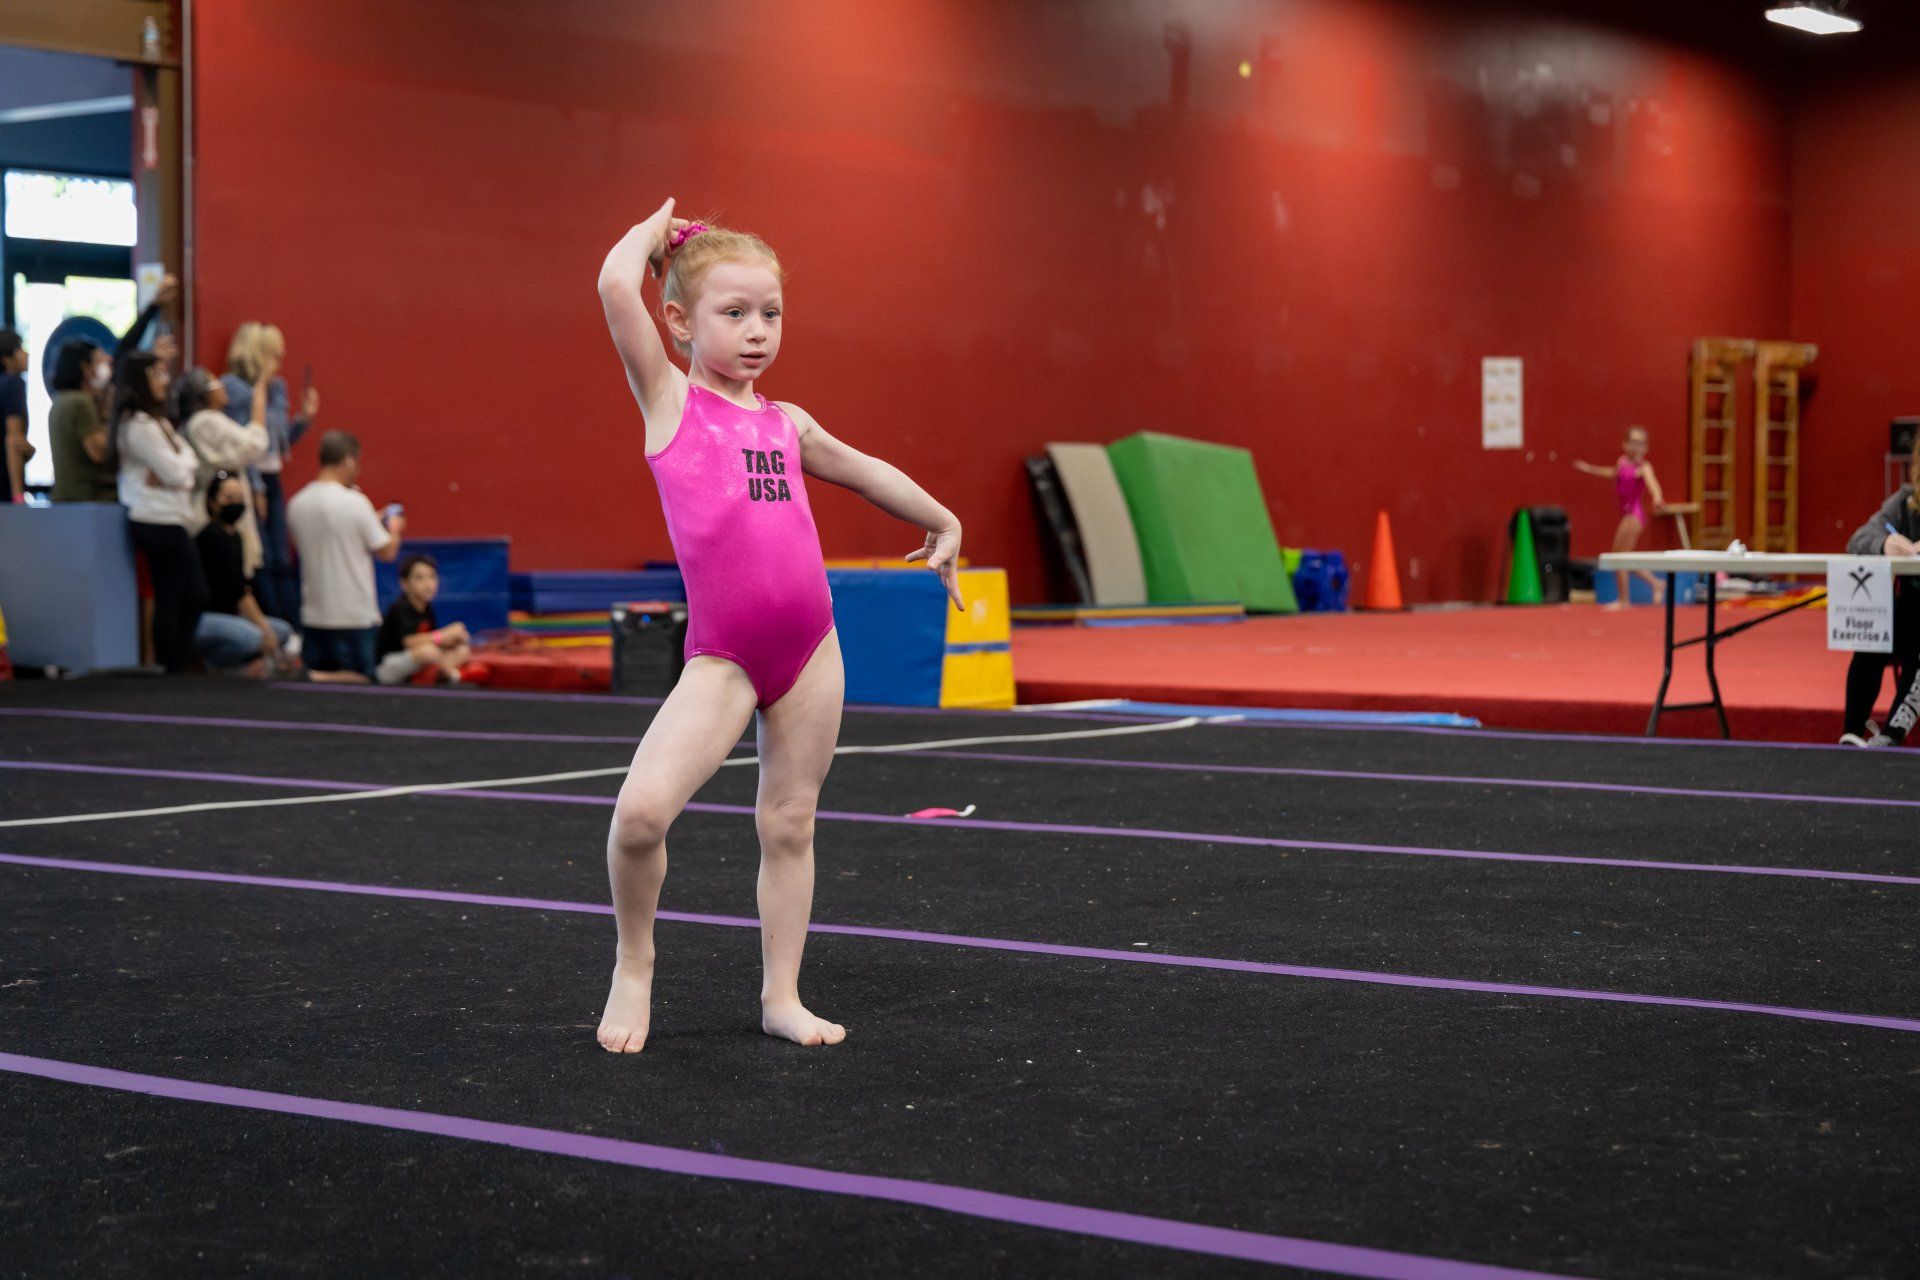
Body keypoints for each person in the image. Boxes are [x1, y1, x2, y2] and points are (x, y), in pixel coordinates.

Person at [592, 199, 964, 1054]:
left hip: (812, 648)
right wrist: (658, 233)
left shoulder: (785, 422)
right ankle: (636, 962)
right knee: (642, 813)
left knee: (789, 824)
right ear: (680, 322)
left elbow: (866, 471)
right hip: (725, 656)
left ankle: (782, 996)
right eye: (734, 313)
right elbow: (617, 284)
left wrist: (943, 521)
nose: (757, 331)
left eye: (771, 313)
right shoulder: (670, 402)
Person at [111, 351, 207, 672]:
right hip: (154, 518)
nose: (165, 381)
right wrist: (179, 473)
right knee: (185, 594)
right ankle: (172, 663)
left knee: (179, 594)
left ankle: (172, 664)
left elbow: (188, 463)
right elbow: (179, 474)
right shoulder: (138, 426)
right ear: (141, 380)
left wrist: (179, 473)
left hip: (170, 516)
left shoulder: (160, 422)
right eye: (157, 374)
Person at [286, 430, 403, 682]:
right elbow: (387, 551)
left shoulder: (296, 504)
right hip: (353, 616)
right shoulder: (355, 502)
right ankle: (317, 677)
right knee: (362, 684)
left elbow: (312, 542)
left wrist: (372, 519)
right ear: (348, 460)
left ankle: (315, 677)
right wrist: (394, 528)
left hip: (314, 614)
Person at [222, 322, 318, 622]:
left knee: (280, 555)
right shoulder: (232, 389)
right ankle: (272, 622)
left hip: (271, 477)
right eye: (275, 354)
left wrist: (303, 419)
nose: (280, 360)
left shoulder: (277, 387)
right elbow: (244, 442)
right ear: (259, 354)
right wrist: (256, 487)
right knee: (259, 556)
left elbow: (276, 440)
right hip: (249, 480)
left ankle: (291, 625)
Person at [1841, 454, 1920, 748]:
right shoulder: (1906, 501)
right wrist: (1884, 543)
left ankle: (1891, 736)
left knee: (1918, 650)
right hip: (1910, 607)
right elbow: (1858, 538)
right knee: (1874, 632)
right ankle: (1851, 733)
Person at [193, 472, 298, 676]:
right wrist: (264, 629)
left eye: (239, 499)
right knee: (254, 636)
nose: (235, 504)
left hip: (231, 615)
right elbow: (237, 590)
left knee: (283, 631)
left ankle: (252, 662)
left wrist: (265, 628)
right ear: (213, 502)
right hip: (206, 617)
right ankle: (221, 665)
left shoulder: (236, 536)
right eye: (228, 498)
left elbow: (242, 587)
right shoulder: (210, 536)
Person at [175, 367, 269, 577]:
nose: (222, 386)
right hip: (215, 514)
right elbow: (255, 444)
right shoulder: (208, 421)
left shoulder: (196, 423)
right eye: (215, 383)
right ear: (204, 393)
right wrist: (259, 397)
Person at [1576, 426, 1669, 608]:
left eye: (1640, 444)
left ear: (1646, 448)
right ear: (1625, 444)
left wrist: (1658, 498)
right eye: (1632, 442)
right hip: (1626, 514)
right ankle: (1656, 584)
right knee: (1622, 557)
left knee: (1619, 557)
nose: (1636, 447)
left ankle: (1624, 600)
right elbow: (1612, 473)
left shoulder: (1644, 467)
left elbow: (1653, 483)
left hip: (1634, 516)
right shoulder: (1622, 462)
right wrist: (1590, 468)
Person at [375, 555, 474, 685]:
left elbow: (434, 639)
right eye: (419, 578)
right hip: (389, 665)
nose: (428, 584)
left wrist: (453, 639)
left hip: (419, 661)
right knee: (428, 651)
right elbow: (410, 641)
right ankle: (449, 673)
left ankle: (437, 675)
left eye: (432, 577)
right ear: (404, 583)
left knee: (462, 650)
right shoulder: (400, 608)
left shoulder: (426, 608)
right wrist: (444, 635)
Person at [49, 341, 118, 502]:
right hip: (91, 498)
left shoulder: (60, 400)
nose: (107, 368)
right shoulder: (81, 402)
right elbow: (99, 453)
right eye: (100, 362)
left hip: (68, 498)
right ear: (86, 368)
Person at [1, 328, 31, 503]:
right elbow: (14, 440)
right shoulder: (14, 383)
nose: (26, 354)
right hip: (5, 487)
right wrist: (18, 495)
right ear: (6, 359)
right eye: (20, 349)